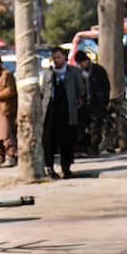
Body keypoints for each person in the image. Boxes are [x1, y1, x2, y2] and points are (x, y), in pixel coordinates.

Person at [41, 46, 85, 179]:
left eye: (58, 57)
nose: (56, 60)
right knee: (49, 141)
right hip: (51, 111)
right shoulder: (48, 73)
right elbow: (43, 92)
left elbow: (81, 90)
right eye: (54, 58)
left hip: (67, 111)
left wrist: (78, 101)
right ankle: (50, 167)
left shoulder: (74, 72)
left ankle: (66, 168)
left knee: (67, 141)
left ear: (64, 57)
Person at [75, 50, 110, 155]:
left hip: (97, 104)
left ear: (86, 60)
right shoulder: (78, 72)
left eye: (82, 62)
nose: (81, 65)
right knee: (80, 127)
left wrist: (104, 102)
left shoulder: (98, 70)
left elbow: (106, 87)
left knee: (95, 128)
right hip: (83, 105)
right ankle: (83, 147)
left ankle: (94, 148)